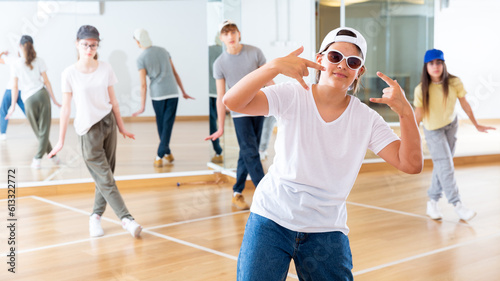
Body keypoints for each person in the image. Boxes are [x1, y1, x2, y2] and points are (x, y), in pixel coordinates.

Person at [223, 27, 423, 280]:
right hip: (271, 217)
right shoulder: (293, 94)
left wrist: (405, 112)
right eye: (335, 56)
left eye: (352, 62)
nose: (342, 65)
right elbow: (232, 102)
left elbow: (411, 163)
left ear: (359, 71)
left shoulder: (366, 119)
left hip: (326, 228)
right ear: (320, 60)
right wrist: (272, 67)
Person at [48, 25, 142, 238]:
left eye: (93, 45)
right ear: (77, 44)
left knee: (107, 175)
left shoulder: (106, 68)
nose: (89, 49)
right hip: (87, 130)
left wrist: (122, 127)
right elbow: (66, 109)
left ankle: (95, 217)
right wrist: (60, 141)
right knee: (105, 178)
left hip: (108, 124)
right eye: (85, 45)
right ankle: (126, 219)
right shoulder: (69, 73)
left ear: (98, 45)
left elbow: (114, 101)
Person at [414, 49, 495, 222]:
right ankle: (458, 205)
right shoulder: (421, 89)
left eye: (438, 63)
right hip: (433, 130)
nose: (435, 67)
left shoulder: (454, 82)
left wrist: (476, 124)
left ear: (443, 65)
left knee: (442, 164)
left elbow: (465, 105)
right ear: (426, 67)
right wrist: (411, 137)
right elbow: (418, 115)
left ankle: (433, 201)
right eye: (431, 63)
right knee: (446, 165)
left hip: (451, 126)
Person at [205, 20, 275, 210]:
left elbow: (268, 79)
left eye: (233, 32)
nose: (230, 36)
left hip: (259, 107)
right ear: (221, 38)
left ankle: (237, 192)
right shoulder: (219, 63)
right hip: (239, 112)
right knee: (251, 152)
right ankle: (267, 196)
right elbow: (221, 97)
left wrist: (281, 102)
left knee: (247, 151)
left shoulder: (255, 52)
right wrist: (220, 127)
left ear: (239, 34)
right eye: (226, 33)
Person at [131, 28, 194, 168]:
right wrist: (183, 91)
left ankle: (159, 155)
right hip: (173, 92)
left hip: (157, 95)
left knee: (162, 125)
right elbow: (175, 73)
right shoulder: (163, 51)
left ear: (137, 42)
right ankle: (167, 152)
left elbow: (143, 84)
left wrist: (142, 106)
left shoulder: (141, 59)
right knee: (166, 125)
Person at [5, 36, 61, 168]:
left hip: (28, 99)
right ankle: (51, 156)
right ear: (33, 45)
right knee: (44, 129)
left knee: (39, 130)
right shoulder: (39, 61)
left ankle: (39, 158)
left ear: (19, 46)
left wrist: (12, 107)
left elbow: (15, 87)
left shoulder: (15, 64)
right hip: (42, 95)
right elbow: (47, 82)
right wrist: (54, 99)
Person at [0, 50, 26, 141]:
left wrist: (2, 53)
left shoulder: (12, 60)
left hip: (10, 90)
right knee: (27, 111)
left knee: (3, 110)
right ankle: (39, 129)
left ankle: (2, 134)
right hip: (21, 90)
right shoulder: (26, 61)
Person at [208, 37, 223, 164]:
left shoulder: (208, 50)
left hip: (209, 91)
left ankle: (218, 150)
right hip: (221, 92)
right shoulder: (226, 51)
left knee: (212, 121)